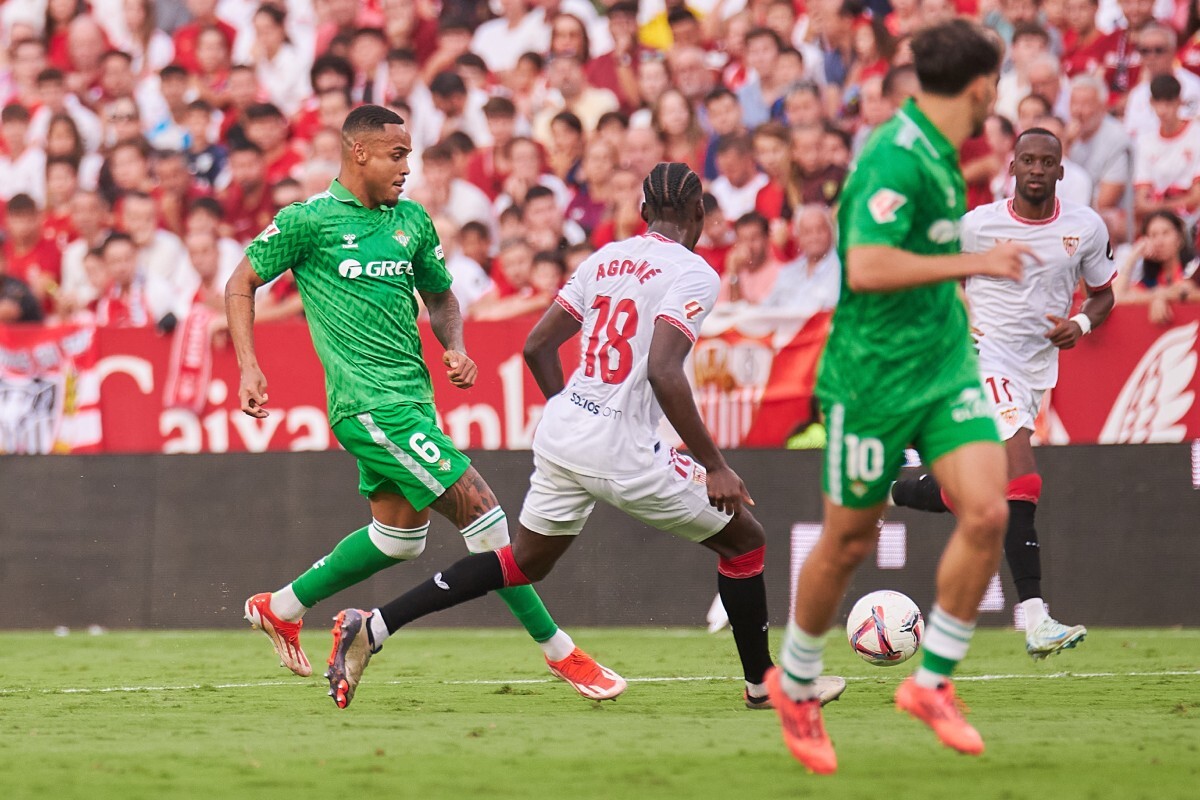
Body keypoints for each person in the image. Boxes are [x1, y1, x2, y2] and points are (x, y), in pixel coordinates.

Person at [321, 162, 846, 712]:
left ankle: (373, 627)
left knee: (522, 562)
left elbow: (536, 346)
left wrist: (574, 412)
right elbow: (664, 371)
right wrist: (715, 465)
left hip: (563, 432)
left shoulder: (604, 258)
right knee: (745, 542)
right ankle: (764, 685)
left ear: (643, 211)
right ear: (699, 211)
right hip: (622, 449)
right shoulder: (694, 273)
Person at [224, 104, 623, 702]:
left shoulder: (411, 220)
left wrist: (454, 345)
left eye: (408, 155)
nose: (406, 167)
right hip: (368, 406)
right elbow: (240, 283)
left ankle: (280, 607)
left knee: (397, 538)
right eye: (396, 155)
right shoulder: (308, 221)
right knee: (484, 514)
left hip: (412, 401)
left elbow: (440, 297)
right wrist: (249, 365)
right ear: (358, 152)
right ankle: (560, 652)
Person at [766, 19, 1028, 774]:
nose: (997, 95)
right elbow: (870, 267)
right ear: (979, 87)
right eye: (996, 82)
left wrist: (958, 303)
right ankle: (797, 683)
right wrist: (977, 265)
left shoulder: (944, 154)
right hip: (871, 377)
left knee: (988, 509)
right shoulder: (894, 155)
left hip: (942, 367)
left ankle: (931, 682)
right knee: (848, 541)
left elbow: (923, 252)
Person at [890, 128, 1116, 659]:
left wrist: (1081, 323)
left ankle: (889, 489)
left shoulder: (1084, 227)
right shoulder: (977, 226)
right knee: (1022, 473)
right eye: (1027, 160)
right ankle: (1036, 620)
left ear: (1061, 171)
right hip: (982, 356)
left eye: (1046, 162)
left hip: (1036, 369)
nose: (1036, 169)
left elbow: (1104, 295)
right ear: (1012, 167)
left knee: (984, 495)